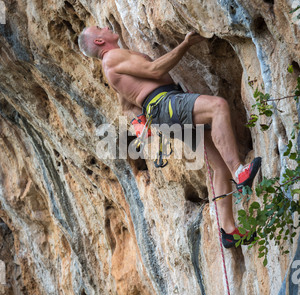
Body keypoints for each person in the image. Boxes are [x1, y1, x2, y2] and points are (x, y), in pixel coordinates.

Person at [78, 26, 261, 248]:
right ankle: (240, 172)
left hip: (161, 113)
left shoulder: (110, 68)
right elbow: (154, 70)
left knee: (218, 166)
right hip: (164, 104)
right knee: (218, 107)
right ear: (99, 41)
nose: (105, 27)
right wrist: (185, 44)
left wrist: (141, 123)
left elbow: (126, 105)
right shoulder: (113, 57)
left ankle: (228, 230)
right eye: (100, 28)